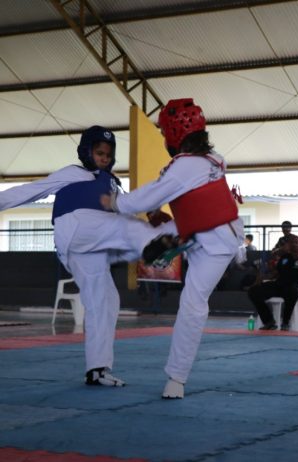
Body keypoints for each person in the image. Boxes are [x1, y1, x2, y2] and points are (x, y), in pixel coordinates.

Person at [0, 126, 173, 387]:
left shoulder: (113, 184)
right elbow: (30, 190)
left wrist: (153, 212)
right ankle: (152, 246)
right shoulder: (74, 173)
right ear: (86, 151)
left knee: (105, 300)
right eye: (99, 152)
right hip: (75, 225)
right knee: (126, 228)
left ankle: (97, 369)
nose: (104, 158)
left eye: (108, 154)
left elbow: (128, 207)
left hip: (85, 248)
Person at [102, 98, 244, 399]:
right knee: (151, 238)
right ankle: (144, 247)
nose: (164, 138)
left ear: (175, 134)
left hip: (215, 243)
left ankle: (177, 378)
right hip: (197, 228)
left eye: (165, 133)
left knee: (193, 303)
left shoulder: (186, 166)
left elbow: (146, 197)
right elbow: (188, 196)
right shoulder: (210, 159)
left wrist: (115, 202)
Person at [248, 235, 298, 330]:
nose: (294, 245)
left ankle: (285, 322)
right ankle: (269, 321)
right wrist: (263, 278)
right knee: (253, 291)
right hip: (279, 284)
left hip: (293, 285)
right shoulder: (284, 257)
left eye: (296, 243)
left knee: (292, 292)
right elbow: (277, 273)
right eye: (291, 243)